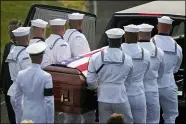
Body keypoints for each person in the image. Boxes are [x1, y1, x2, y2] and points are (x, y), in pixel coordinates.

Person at [87, 28, 133, 123]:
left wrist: (98, 87)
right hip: (121, 96)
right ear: (121, 41)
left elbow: (90, 82)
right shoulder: (128, 59)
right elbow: (129, 82)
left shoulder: (95, 57)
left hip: (103, 97)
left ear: (108, 40)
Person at [151, 16, 183, 123]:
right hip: (168, 85)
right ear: (170, 28)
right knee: (171, 116)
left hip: (152, 85)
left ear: (157, 27)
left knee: (151, 117)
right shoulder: (177, 47)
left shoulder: (150, 43)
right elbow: (176, 68)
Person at [63, 13, 93, 123]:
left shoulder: (64, 36)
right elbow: (85, 62)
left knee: (69, 115)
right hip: (77, 82)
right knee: (87, 114)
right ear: (81, 23)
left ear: (69, 23)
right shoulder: (79, 37)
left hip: (65, 82)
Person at [14, 42, 54, 123]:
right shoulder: (47, 77)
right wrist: (50, 121)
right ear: (41, 57)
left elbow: (17, 100)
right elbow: (49, 102)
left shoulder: (20, 74)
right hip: (41, 117)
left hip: (25, 116)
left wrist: (19, 119)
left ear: (30, 57)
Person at [121, 24, 150, 123]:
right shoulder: (146, 53)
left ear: (124, 35)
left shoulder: (119, 51)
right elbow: (146, 72)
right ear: (138, 36)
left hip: (122, 94)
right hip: (139, 94)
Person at [138, 23, 165, 124]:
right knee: (153, 120)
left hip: (136, 90)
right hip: (152, 90)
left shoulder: (131, 51)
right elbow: (162, 73)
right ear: (150, 34)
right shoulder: (160, 52)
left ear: (138, 34)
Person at [5, 27, 32, 122]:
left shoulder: (12, 51)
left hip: (14, 91)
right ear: (26, 38)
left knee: (19, 120)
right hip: (23, 93)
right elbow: (28, 76)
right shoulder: (25, 55)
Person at [0, 19, 22, 124]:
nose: (11, 34)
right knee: (11, 114)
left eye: (13, 31)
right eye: (10, 32)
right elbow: (4, 67)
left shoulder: (25, 48)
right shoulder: (8, 46)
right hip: (8, 85)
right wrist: (2, 85)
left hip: (20, 86)